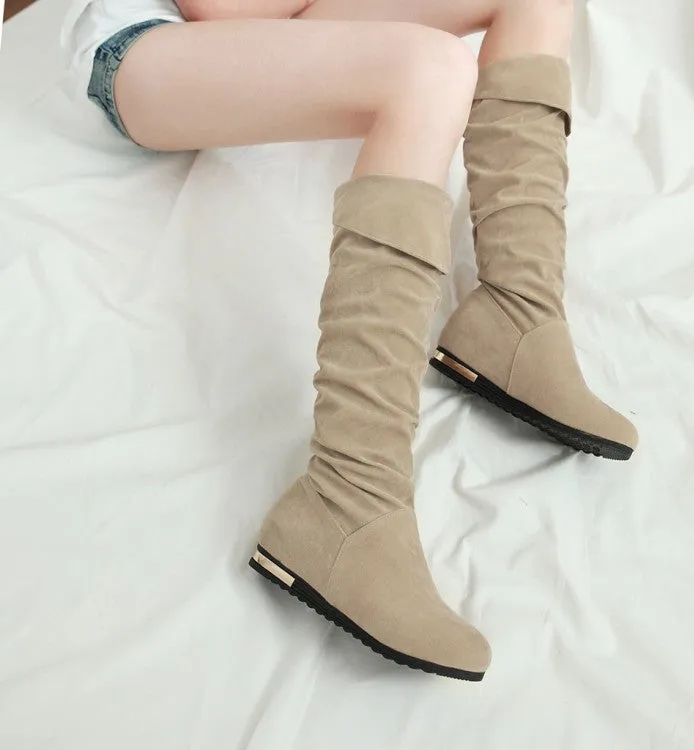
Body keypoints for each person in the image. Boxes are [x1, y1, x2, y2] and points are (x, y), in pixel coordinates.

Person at [61, 0, 638, 682]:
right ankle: (348, 498)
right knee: (430, 71)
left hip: (266, 22)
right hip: (142, 46)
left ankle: (517, 314)